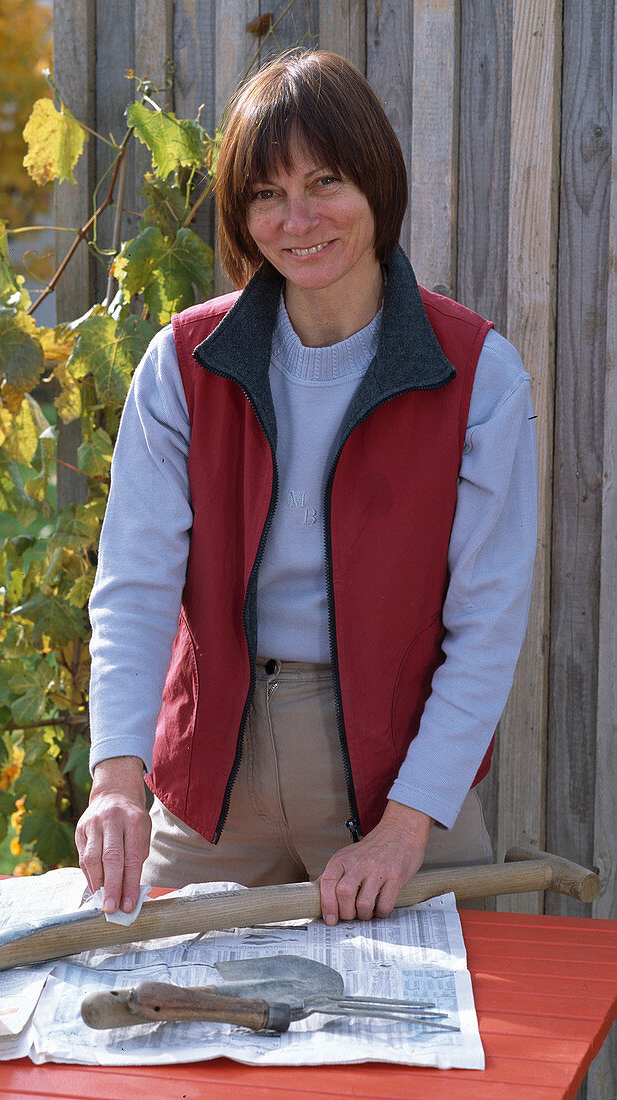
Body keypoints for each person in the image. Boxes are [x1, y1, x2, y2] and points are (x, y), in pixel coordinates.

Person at [75, 50, 536, 927]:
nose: (299, 219)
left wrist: (406, 827)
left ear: (376, 184)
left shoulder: (478, 373)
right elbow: (133, 587)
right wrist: (117, 781)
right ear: (242, 216)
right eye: (266, 194)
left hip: (396, 778)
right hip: (211, 773)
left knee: (441, 1044)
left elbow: (488, 620)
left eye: (325, 182)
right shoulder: (183, 364)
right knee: (146, 1024)